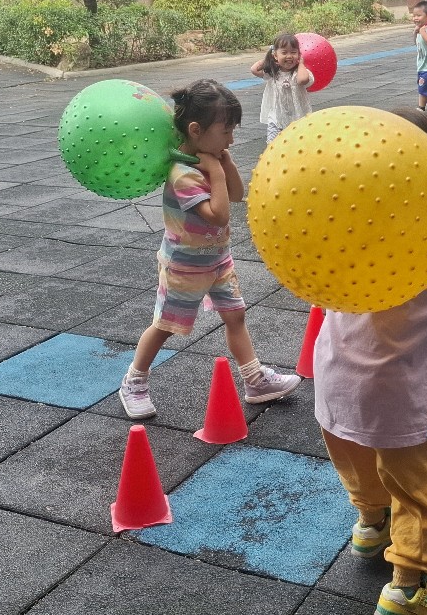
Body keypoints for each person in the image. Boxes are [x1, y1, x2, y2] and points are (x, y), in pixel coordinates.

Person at [315, 107, 427, 615]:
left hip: (333, 374)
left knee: (356, 461)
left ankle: (369, 525)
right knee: (414, 490)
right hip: (392, 389)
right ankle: (407, 586)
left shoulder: (337, 227)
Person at [118, 79, 301, 419]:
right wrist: (215, 171)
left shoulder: (210, 161)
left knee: (235, 315)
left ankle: (254, 380)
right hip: (184, 267)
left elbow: (236, 195)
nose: (231, 140)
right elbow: (218, 215)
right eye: (226, 132)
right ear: (196, 130)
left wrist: (225, 165)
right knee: (165, 326)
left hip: (217, 261)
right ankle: (134, 381)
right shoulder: (182, 174)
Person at [250, 32, 314, 143]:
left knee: (298, 145)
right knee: (273, 146)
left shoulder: (299, 72)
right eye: (284, 52)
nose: (289, 56)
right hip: (276, 119)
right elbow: (254, 69)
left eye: (293, 52)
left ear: (299, 55)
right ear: (275, 55)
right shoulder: (273, 73)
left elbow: (302, 80)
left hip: (298, 118)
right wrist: (269, 58)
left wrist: (301, 63)